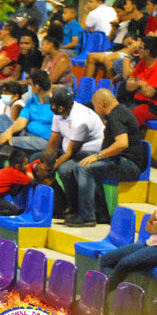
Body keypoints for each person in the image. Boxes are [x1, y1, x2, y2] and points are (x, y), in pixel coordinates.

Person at [59, 89, 146, 227]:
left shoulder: (117, 115)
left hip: (128, 164)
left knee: (84, 168)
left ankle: (87, 216)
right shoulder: (116, 113)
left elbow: (122, 143)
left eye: (95, 106)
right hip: (116, 159)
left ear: (101, 104)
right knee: (70, 167)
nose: (94, 110)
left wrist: (97, 156)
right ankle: (92, 212)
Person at [48, 87, 105, 226]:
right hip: (74, 152)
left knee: (71, 169)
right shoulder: (59, 114)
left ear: (61, 108)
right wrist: (47, 161)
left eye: (53, 105)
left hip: (92, 152)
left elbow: (70, 153)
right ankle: (73, 208)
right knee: (59, 169)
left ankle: (87, 215)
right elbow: (54, 141)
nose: (51, 107)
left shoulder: (81, 120)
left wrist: (51, 168)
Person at [0, 70, 54, 171]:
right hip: (26, 134)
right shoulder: (32, 100)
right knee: (2, 118)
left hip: (42, 140)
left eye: (30, 85)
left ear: (37, 87)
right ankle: (7, 144)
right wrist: (8, 132)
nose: (29, 88)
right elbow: (21, 121)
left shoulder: (54, 104)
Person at [0, 149, 54, 228]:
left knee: (4, 205)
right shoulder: (16, 174)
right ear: (18, 166)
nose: (27, 166)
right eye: (25, 164)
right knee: (13, 210)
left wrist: (34, 166)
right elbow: (32, 182)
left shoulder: (9, 170)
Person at [99, 202, 157, 292]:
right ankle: (105, 298)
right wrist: (154, 226)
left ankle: (98, 296)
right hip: (150, 243)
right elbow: (148, 226)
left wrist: (155, 225)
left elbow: (155, 226)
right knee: (106, 259)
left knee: (125, 263)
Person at [122, 36, 157, 126]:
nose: (137, 50)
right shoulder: (143, 62)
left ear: (148, 51)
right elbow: (129, 83)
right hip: (137, 101)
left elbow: (150, 93)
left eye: (140, 47)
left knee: (130, 115)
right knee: (114, 109)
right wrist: (140, 84)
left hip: (153, 106)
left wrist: (136, 84)